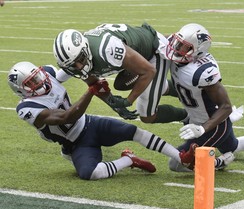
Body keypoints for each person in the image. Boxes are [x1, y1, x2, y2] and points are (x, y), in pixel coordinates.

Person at [7, 61, 198, 180]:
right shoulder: (26, 108)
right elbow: (66, 117)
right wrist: (91, 91)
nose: (39, 82)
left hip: (90, 123)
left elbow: (74, 69)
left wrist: (93, 70)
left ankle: (181, 157)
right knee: (90, 174)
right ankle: (128, 160)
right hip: (75, 142)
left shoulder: (49, 74)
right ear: (20, 90)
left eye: (37, 76)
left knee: (134, 131)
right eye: (31, 83)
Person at [161, 23, 244, 171]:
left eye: (183, 47)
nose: (176, 49)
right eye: (178, 43)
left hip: (212, 125)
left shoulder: (202, 72)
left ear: (198, 50)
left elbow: (226, 107)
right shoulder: (179, 49)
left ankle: (218, 163)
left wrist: (203, 129)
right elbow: (161, 39)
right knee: (233, 145)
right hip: (197, 117)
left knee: (176, 163)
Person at [53, 23, 187, 123]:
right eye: (72, 65)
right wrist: (115, 106)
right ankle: (185, 92)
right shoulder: (72, 62)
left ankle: (188, 116)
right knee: (124, 84)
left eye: (80, 59)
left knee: (147, 115)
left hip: (152, 51)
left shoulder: (106, 50)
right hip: (133, 55)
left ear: (85, 48)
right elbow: (94, 83)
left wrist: (128, 101)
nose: (79, 66)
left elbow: (148, 71)